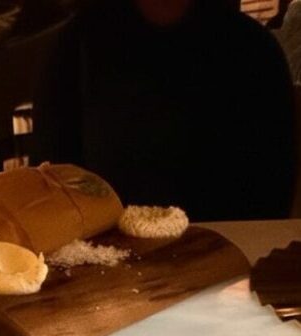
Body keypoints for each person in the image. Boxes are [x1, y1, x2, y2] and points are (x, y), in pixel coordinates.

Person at [31, 0, 297, 220]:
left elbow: (270, 195)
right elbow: (51, 182)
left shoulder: (253, 53)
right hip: (104, 259)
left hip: (228, 260)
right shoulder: (75, 48)